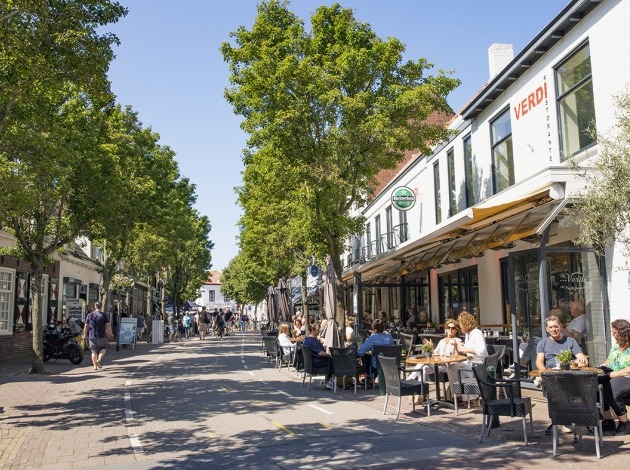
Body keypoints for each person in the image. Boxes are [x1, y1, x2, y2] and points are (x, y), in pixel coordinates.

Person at [535, 315, 588, 435]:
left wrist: (581, 360)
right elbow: (539, 361)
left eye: (556, 326)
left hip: (569, 377)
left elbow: (581, 357)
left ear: (560, 327)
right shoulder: (542, 343)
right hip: (552, 377)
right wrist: (545, 372)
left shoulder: (570, 341)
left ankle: (567, 419)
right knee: (557, 390)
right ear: (547, 329)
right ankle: (562, 420)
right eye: (551, 327)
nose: (554, 329)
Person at [446, 311, 488, 402]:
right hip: (470, 361)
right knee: (451, 367)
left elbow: (482, 351)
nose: (460, 327)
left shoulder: (477, 333)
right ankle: (458, 395)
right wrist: (457, 346)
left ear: (465, 324)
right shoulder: (468, 335)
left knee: (461, 370)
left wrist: (465, 349)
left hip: (478, 363)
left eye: (460, 324)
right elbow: (464, 350)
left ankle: (473, 397)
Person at [599, 319, 630, 435]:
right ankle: (608, 420)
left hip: (627, 377)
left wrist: (615, 374)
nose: (613, 335)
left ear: (623, 333)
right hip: (614, 374)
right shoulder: (616, 345)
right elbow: (610, 359)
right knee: (596, 383)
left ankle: (624, 423)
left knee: (611, 388)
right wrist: (603, 365)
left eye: (615, 333)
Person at [302, 323, 334, 389]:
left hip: (310, 363)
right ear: (313, 330)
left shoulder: (306, 339)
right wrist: (330, 355)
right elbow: (320, 353)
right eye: (317, 329)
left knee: (332, 361)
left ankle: (327, 381)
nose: (319, 330)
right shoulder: (313, 341)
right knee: (334, 362)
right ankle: (329, 382)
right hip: (317, 362)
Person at [83, 302, 111, 371]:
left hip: (92, 336)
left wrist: (85, 334)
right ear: (101, 307)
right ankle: (99, 359)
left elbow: (86, 326)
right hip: (101, 335)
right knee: (103, 348)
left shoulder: (89, 315)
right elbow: (108, 325)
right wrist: (110, 333)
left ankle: (95, 366)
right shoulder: (103, 315)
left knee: (93, 351)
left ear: (94, 307)